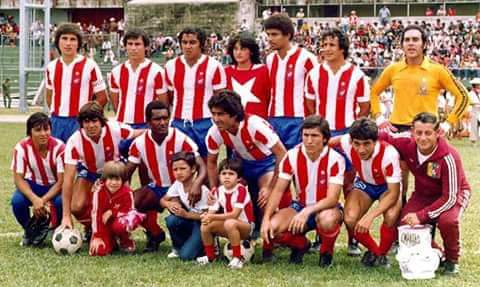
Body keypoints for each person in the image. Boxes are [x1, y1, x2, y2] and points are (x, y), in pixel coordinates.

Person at [305, 28, 370, 255]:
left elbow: (364, 110)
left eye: (332, 44)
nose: (326, 49)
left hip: (347, 136)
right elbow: (311, 108)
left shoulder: (357, 75)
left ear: (342, 48)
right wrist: (320, 133)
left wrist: (352, 137)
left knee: (350, 186)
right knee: (320, 187)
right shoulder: (313, 74)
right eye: (323, 44)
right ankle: (319, 236)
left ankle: (353, 238)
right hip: (323, 135)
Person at [381, 112, 471, 275]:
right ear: (412, 133)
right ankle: (436, 253)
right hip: (424, 194)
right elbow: (386, 138)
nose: (423, 138)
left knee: (447, 221)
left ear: (438, 133)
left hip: (454, 194)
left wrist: (421, 216)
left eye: (428, 133)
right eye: (419, 133)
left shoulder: (449, 157)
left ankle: (452, 259)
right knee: (404, 222)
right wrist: (373, 128)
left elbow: (450, 197)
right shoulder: (408, 145)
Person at [261, 116, 346, 267]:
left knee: (328, 220)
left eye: (314, 136)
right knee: (272, 229)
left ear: (325, 139)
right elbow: (278, 190)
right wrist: (266, 219)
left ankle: (326, 254)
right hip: (299, 206)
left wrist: (307, 212)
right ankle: (301, 245)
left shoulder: (335, 159)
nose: (309, 140)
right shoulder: (292, 155)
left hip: (326, 208)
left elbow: (333, 198)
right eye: (305, 135)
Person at [206, 91, 289, 238]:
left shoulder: (255, 125)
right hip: (241, 164)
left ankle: (269, 244)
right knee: (226, 193)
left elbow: (282, 154)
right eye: (213, 114)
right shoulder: (214, 132)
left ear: (234, 114)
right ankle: (241, 235)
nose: (216, 119)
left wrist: (270, 188)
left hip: (266, 164)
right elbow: (211, 163)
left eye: (220, 114)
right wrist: (214, 190)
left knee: (265, 199)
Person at [127, 101, 207, 252]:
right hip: (157, 188)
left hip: (179, 190)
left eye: (165, 118)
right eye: (157, 119)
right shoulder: (139, 143)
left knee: (179, 219)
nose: (163, 122)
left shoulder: (181, 139)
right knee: (132, 202)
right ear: (148, 121)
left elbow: (202, 167)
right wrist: (106, 179)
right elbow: (127, 172)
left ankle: (197, 237)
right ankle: (155, 234)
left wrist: (196, 184)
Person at [60, 102, 143, 239]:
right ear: (81, 124)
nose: (91, 125)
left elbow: (137, 133)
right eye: (86, 122)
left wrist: (156, 131)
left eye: (94, 121)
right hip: (90, 172)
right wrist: (66, 216)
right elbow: (68, 180)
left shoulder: (114, 129)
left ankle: (122, 234)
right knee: (77, 206)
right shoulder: (74, 141)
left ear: (102, 121)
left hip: (114, 174)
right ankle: (93, 227)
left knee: (125, 205)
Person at [371, 24, 469, 133]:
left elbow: (464, 96)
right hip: (397, 130)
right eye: (407, 40)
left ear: (424, 44)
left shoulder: (438, 70)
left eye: (415, 39)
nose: (411, 43)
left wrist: (448, 123)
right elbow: (374, 92)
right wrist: (379, 118)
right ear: (402, 45)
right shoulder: (392, 69)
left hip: (427, 131)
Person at [332, 118, 401, 267]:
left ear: (375, 141)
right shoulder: (346, 142)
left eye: (366, 144)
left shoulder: (389, 154)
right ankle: (377, 253)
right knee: (350, 219)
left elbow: (394, 194)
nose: (361, 149)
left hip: (387, 188)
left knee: (391, 216)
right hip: (364, 184)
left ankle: (381, 253)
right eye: (357, 144)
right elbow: (326, 143)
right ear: (351, 141)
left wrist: (369, 217)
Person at [110, 29, 168, 184]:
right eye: (130, 44)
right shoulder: (116, 71)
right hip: (122, 126)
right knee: (121, 173)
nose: (133, 48)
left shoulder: (156, 71)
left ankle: (146, 208)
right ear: (125, 47)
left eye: (138, 44)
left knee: (146, 172)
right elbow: (115, 101)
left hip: (145, 126)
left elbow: (163, 103)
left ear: (146, 47)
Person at [162, 27, 227, 158]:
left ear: (201, 44)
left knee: (208, 164)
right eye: (184, 42)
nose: (188, 46)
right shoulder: (171, 66)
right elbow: (170, 96)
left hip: (205, 123)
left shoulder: (214, 66)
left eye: (192, 42)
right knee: (180, 166)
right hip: (179, 123)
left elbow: (220, 97)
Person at [45, 23, 107, 143]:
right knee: (58, 158)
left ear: (78, 43)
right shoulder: (51, 67)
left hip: (79, 121)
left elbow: (103, 97)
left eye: (72, 39)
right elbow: (49, 96)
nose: (68, 43)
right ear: (58, 41)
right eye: (64, 38)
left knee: (79, 159)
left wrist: (88, 118)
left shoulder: (90, 65)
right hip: (56, 121)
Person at [263, 14, 317, 149]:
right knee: (277, 162)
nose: (270, 39)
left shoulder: (307, 58)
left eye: (274, 34)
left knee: (296, 162)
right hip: (273, 118)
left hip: (298, 119)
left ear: (287, 35)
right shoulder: (270, 59)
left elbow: (317, 92)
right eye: (268, 34)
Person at [11, 113, 65, 246]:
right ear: (30, 132)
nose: (43, 134)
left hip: (55, 186)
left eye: (46, 129)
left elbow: (61, 181)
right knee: (17, 201)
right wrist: (34, 199)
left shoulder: (59, 147)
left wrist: (42, 200)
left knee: (61, 201)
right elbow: (18, 179)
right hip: (34, 184)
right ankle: (29, 230)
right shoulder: (21, 148)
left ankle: (56, 229)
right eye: (38, 130)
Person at [197, 158, 255, 269]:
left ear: (239, 178)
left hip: (246, 227)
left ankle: (237, 258)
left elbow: (234, 215)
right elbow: (211, 211)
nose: (227, 176)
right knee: (205, 225)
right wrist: (206, 217)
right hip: (229, 224)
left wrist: (212, 216)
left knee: (230, 222)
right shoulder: (217, 191)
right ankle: (210, 257)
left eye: (231, 174)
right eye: (223, 173)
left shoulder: (241, 190)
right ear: (219, 176)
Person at [89, 161, 145, 256]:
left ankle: (125, 240)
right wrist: (97, 236)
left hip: (119, 222)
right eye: (110, 179)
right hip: (104, 225)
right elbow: (95, 214)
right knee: (98, 251)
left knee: (121, 224)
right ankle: (111, 240)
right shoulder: (98, 192)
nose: (114, 183)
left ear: (122, 180)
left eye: (117, 179)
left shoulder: (127, 192)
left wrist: (112, 212)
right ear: (105, 179)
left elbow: (130, 213)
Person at [160, 151, 209, 261]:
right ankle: (178, 247)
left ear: (192, 169)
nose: (178, 172)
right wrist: (169, 203)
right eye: (175, 170)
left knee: (186, 256)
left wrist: (186, 215)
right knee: (171, 220)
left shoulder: (201, 190)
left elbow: (207, 215)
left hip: (204, 224)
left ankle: (209, 247)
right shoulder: (178, 184)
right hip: (191, 220)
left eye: (183, 169)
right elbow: (162, 200)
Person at [225, 33, 270, 119]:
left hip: (259, 122)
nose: (238, 52)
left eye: (243, 49)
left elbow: (269, 97)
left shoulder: (263, 70)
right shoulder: (226, 72)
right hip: (234, 124)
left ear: (251, 51)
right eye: (235, 49)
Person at [468, 78, 480, 144]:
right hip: (474, 110)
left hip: (479, 110)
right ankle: (473, 141)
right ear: (475, 85)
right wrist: (477, 104)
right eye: (478, 85)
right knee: (474, 125)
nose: (479, 86)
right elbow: (470, 102)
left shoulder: (479, 93)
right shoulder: (470, 93)